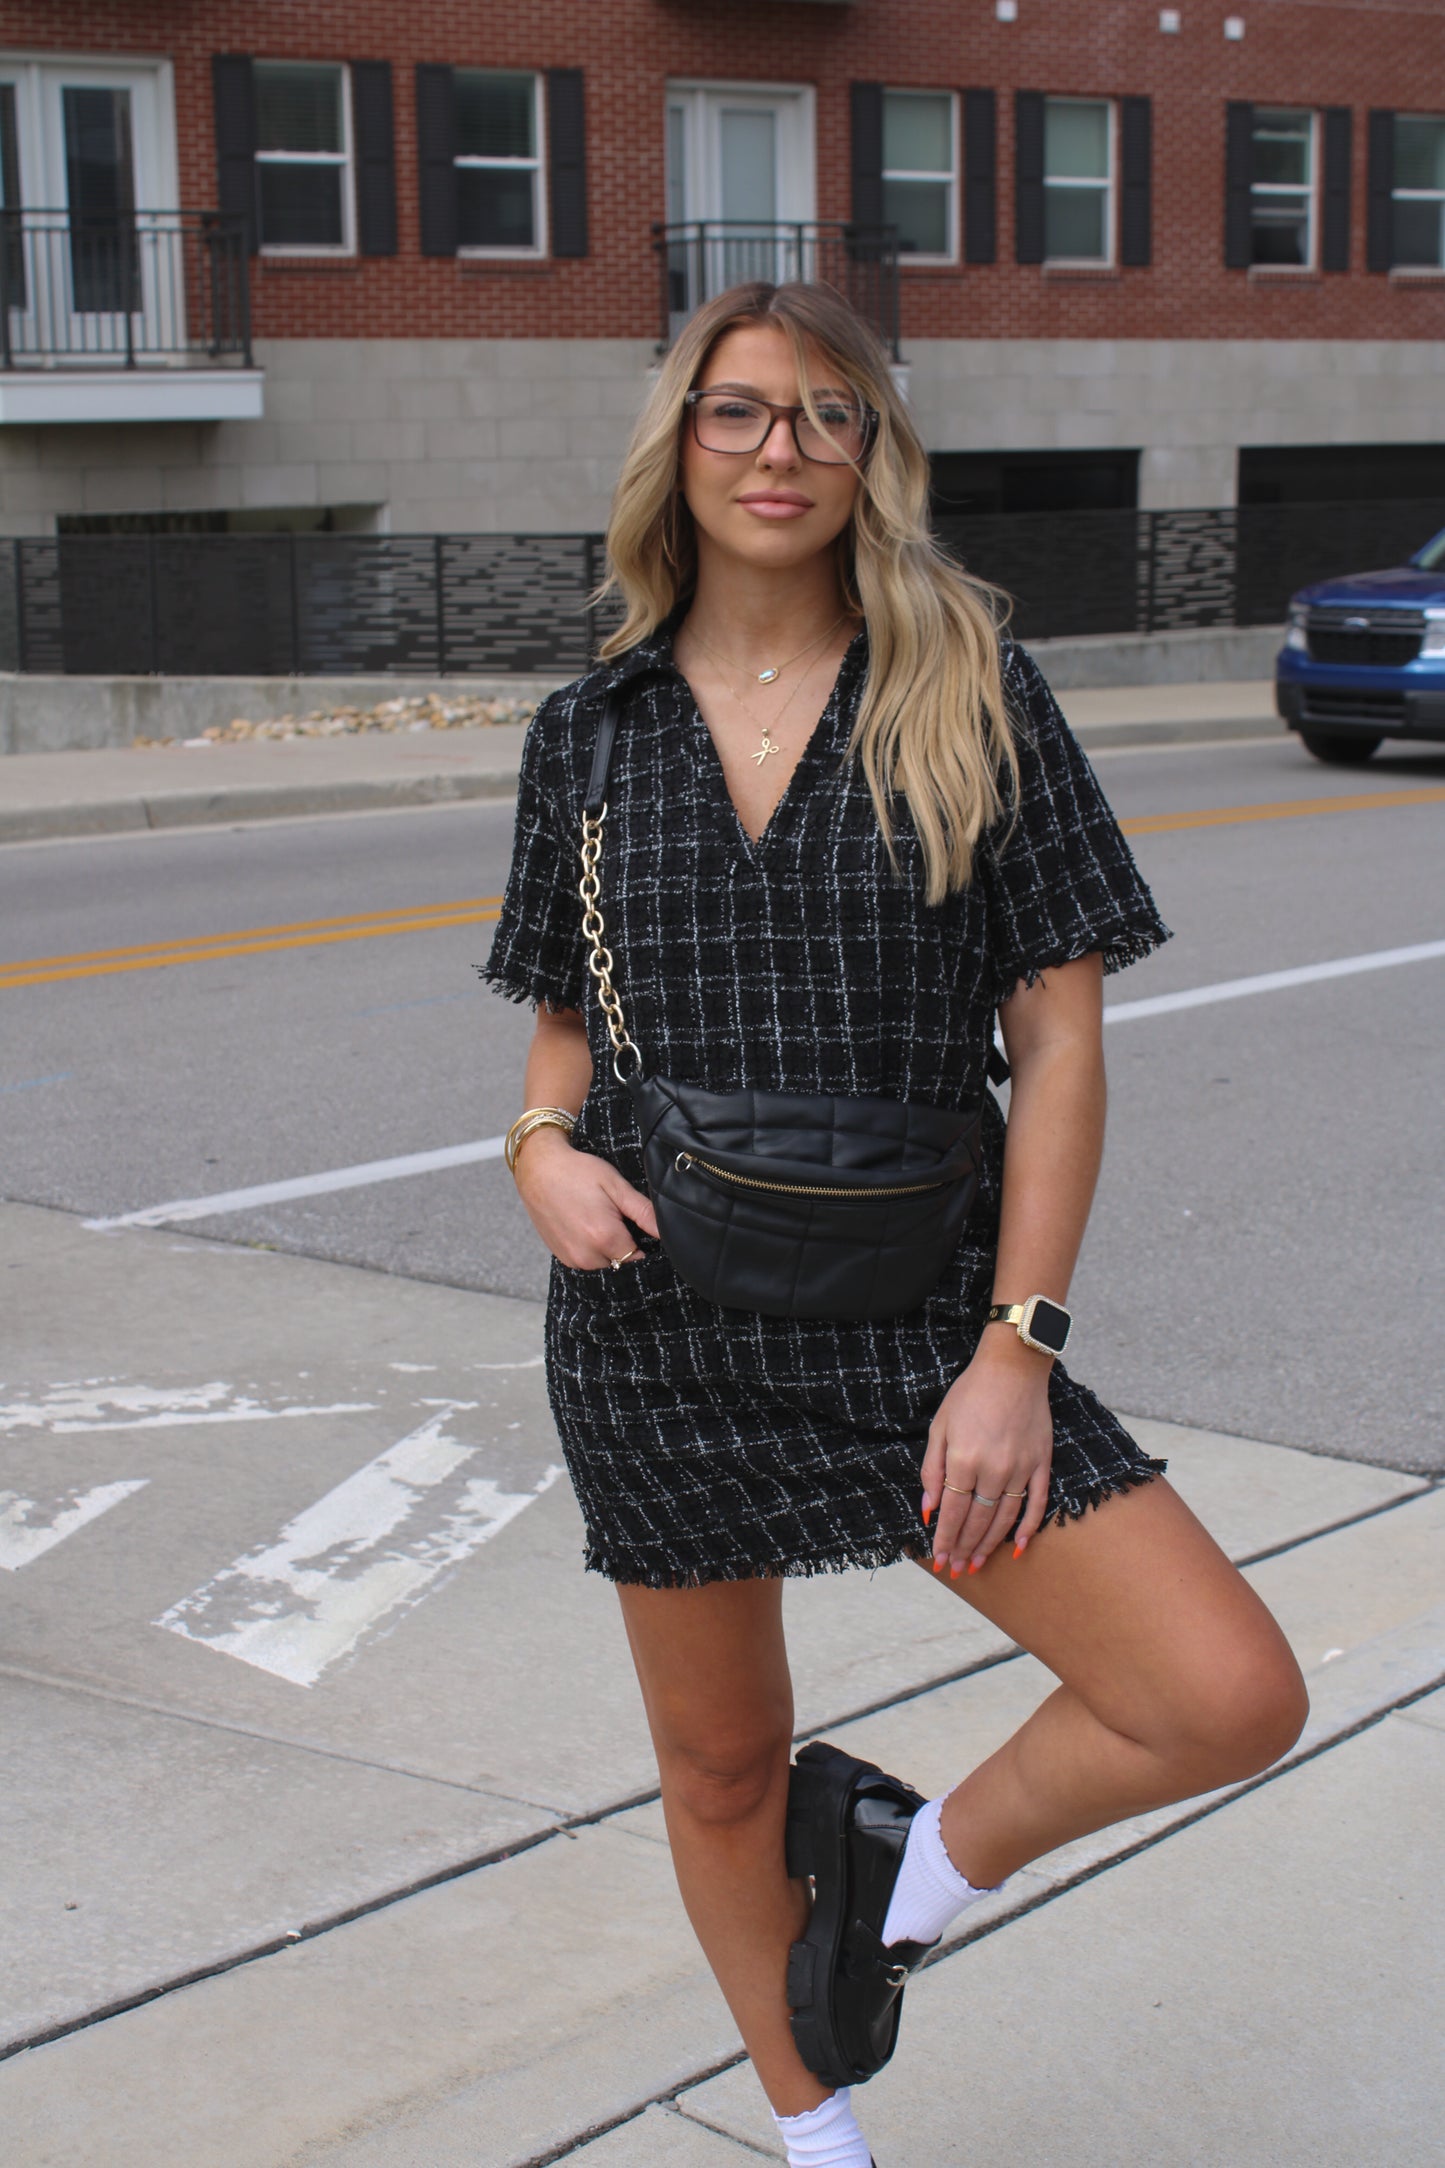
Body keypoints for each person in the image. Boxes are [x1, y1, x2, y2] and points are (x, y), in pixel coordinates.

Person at [484, 281, 1308, 2168]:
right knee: (713, 1766)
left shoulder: (971, 685)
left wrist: (1017, 1347)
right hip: (656, 1321)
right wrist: (536, 1146)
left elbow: (1060, 1036)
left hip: (926, 1319)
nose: (781, 451)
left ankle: (909, 1867)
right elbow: (558, 1018)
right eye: (738, 414)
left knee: (1215, 1692)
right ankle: (815, 2136)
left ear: (874, 452)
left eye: (825, 417)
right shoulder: (587, 727)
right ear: (675, 446)